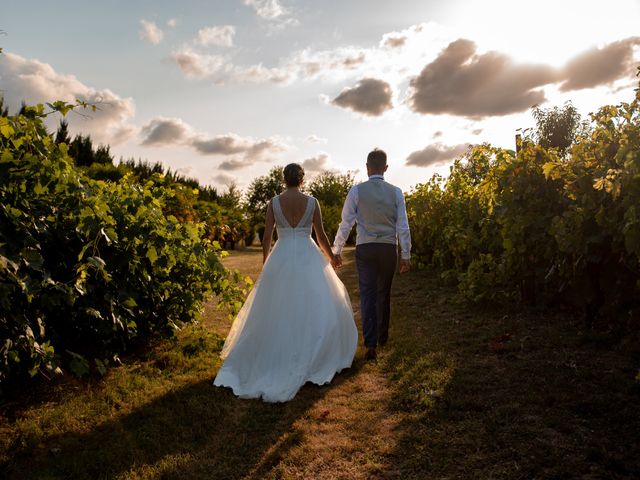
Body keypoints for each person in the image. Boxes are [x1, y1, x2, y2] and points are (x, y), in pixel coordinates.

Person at [213, 163, 358, 402]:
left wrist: (266, 263)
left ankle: (275, 356)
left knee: (276, 308)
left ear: (284, 180)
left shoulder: (273, 203)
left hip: (281, 255)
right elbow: (320, 235)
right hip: (306, 254)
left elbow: (268, 236)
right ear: (302, 180)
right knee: (313, 304)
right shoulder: (312, 202)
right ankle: (311, 354)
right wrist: (331, 257)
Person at [333, 148, 411, 361]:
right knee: (383, 292)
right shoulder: (396, 192)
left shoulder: (356, 191)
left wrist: (336, 250)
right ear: (386, 168)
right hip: (387, 248)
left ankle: (370, 343)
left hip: (365, 247)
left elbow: (346, 223)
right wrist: (406, 254)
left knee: (367, 293)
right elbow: (403, 226)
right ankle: (382, 335)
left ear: (367, 167)